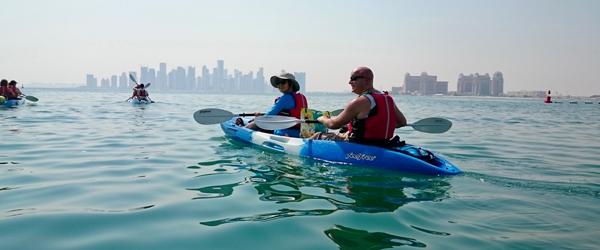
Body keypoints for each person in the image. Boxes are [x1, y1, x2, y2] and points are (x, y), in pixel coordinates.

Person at [310, 67, 407, 147]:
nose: (349, 82)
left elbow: (333, 125)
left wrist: (322, 119)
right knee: (345, 127)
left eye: (353, 78)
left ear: (366, 80)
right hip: (383, 143)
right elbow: (402, 122)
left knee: (318, 135)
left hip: (360, 143)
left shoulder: (360, 101)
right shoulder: (388, 99)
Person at [245, 72, 308, 137]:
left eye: (283, 82)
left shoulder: (285, 98)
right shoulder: (302, 97)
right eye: (278, 82)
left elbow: (268, 117)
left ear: (291, 84)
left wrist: (257, 117)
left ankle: (242, 130)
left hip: (285, 133)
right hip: (301, 132)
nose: (280, 85)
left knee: (257, 123)